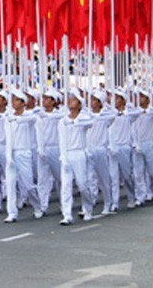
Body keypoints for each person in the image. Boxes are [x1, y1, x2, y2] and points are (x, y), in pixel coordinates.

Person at [3, 89, 42, 223]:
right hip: (10, 152)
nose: (13, 102)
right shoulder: (8, 117)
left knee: (28, 184)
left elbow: (34, 118)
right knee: (10, 183)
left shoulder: (29, 115)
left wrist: (18, 119)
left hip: (24, 152)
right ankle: (12, 212)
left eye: (16, 100)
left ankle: (37, 206)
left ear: (22, 103)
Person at [58, 91, 95, 225]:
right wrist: (63, 157)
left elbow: (90, 123)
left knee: (82, 185)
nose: (70, 102)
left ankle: (88, 208)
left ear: (79, 105)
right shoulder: (63, 121)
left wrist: (75, 121)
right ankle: (67, 214)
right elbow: (62, 140)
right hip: (67, 154)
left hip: (79, 154)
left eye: (74, 100)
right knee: (66, 186)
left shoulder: (84, 118)